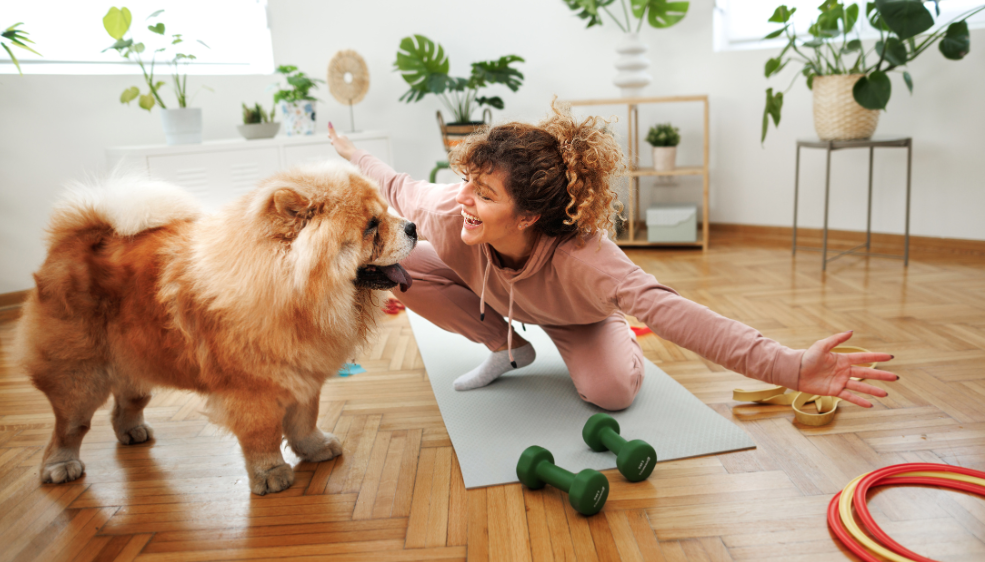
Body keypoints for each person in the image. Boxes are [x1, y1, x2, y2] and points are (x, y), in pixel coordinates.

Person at [326, 103, 897, 411]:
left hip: (578, 314)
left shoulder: (588, 263)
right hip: (493, 296)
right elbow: (399, 185)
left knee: (610, 395)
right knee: (393, 270)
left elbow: (679, 315)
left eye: (486, 193)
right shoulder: (452, 211)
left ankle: (609, 335)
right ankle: (508, 348)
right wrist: (354, 154)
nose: (466, 198)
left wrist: (789, 367)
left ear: (527, 216)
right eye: (469, 182)